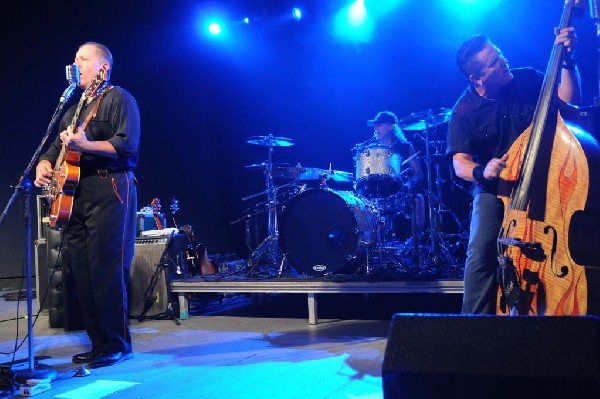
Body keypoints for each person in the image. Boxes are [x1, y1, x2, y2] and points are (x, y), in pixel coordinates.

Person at [446, 28, 581, 314]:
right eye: (495, 62)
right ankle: (472, 329)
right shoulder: (463, 111)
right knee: (480, 251)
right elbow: (460, 164)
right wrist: (484, 171)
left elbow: (569, 100)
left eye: (500, 55)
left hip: (544, 179)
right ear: (477, 78)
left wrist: (567, 62)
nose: (503, 61)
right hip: (496, 188)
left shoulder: (529, 79)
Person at [34, 42, 140, 367]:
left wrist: (86, 143)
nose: (75, 62)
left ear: (102, 68)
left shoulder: (118, 98)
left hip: (110, 186)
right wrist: (45, 163)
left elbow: (126, 145)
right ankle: (99, 343)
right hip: (75, 192)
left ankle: (116, 344)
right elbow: (56, 144)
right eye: (75, 58)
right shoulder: (74, 106)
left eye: (83, 58)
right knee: (81, 269)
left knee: (105, 267)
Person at [359, 111, 425, 266]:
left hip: (399, 191)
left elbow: (418, 174)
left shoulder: (405, 147)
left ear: (391, 126)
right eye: (374, 124)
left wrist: (407, 184)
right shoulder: (369, 149)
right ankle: (368, 250)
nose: (375, 127)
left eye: (379, 124)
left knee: (419, 199)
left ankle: (415, 245)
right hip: (374, 193)